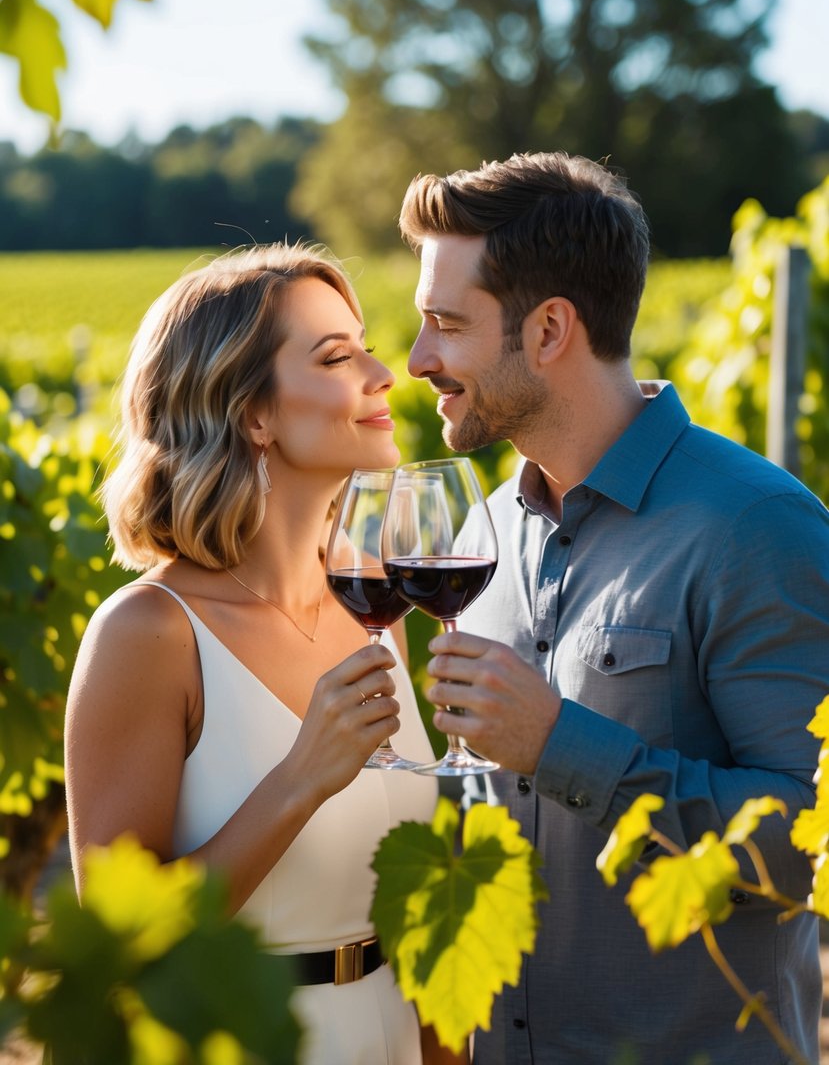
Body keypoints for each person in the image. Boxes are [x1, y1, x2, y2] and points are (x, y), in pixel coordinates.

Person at [398, 151, 829, 1065]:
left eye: (444, 323)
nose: (417, 359)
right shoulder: (480, 538)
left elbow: (807, 850)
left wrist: (561, 744)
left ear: (550, 328)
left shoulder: (756, 527)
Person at [64, 244, 459, 1065]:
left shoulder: (374, 612)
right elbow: (117, 948)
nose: (384, 373)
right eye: (335, 356)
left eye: (365, 345)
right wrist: (297, 781)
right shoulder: (149, 634)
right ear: (253, 414)